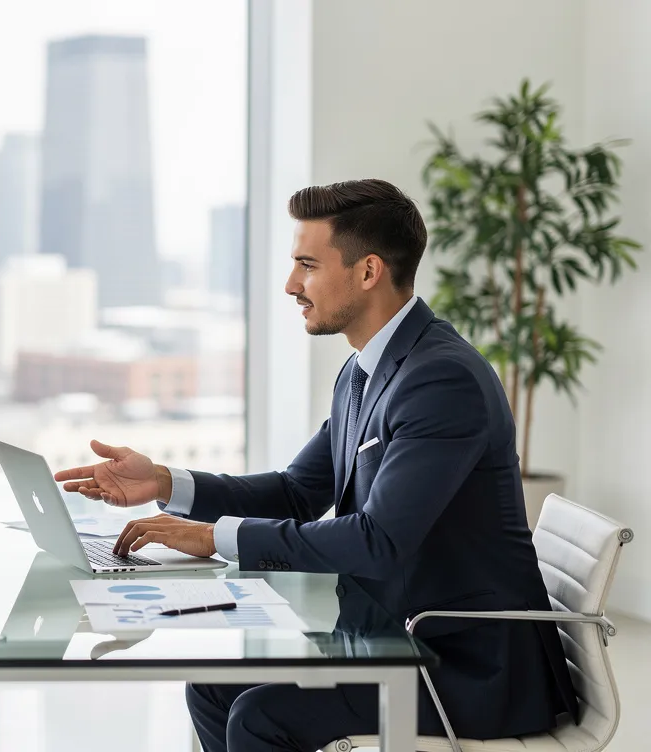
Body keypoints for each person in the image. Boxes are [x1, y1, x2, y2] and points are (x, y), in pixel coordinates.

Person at [54, 179, 579, 751]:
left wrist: (212, 537)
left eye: (307, 264)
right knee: (212, 687)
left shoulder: (440, 379)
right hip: (391, 640)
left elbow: (378, 540)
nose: (290, 285)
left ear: (368, 271)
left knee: (261, 716)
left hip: (461, 668)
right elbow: (295, 492)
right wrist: (163, 482)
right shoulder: (364, 372)